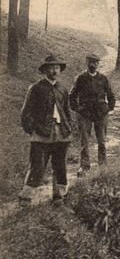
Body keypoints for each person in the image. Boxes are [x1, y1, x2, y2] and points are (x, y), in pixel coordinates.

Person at [18, 54, 73, 204]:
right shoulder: (36, 88)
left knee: (60, 165)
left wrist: (68, 127)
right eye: (51, 68)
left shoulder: (62, 89)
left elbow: (67, 110)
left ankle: (58, 196)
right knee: (38, 165)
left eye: (57, 68)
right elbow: (26, 113)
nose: (54, 71)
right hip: (41, 134)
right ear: (45, 70)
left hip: (61, 133)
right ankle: (26, 196)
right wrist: (33, 130)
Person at [69, 53, 116, 175]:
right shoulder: (81, 78)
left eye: (95, 62)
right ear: (86, 63)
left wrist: (109, 108)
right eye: (90, 62)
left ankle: (103, 165)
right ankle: (84, 166)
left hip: (101, 113)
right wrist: (77, 109)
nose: (92, 64)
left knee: (102, 140)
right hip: (85, 113)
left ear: (98, 64)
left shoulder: (103, 78)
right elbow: (72, 95)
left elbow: (110, 95)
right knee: (84, 140)